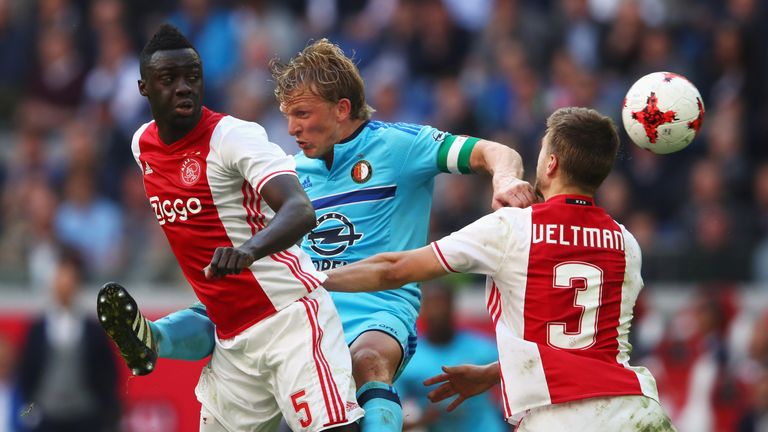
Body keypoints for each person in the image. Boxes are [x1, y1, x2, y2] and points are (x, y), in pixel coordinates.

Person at [102, 37, 536, 432]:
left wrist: (503, 180)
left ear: (341, 109)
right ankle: (153, 338)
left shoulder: (402, 147)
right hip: (310, 294)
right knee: (227, 304)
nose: (291, 128)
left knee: (364, 362)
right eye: (287, 115)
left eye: (302, 114)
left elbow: (496, 152)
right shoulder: (292, 170)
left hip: (379, 307)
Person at [322, 107, 676, 431]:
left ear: (550, 163)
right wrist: (495, 373)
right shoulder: (626, 242)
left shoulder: (514, 228)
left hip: (558, 417)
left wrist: (312, 280)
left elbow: (394, 268)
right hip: (637, 411)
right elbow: (584, 348)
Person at [97, 24, 363, 432]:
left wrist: (249, 250)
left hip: (288, 318)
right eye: (169, 80)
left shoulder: (233, 137)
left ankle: (156, 338)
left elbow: (299, 209)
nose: (184, 88)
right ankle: (155, 338)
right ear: (143, 88)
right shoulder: (141, 145)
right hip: (232, 341)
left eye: (193, 77)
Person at [17, 249, 120, 432]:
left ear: (77, 285)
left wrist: (104, 411)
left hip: (85, 414)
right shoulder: (38, 329)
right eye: (60, 280)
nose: (64, 286)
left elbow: (108, 372)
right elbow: (27, 371)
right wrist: (30, 409)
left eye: (69, 281)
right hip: (47, 415)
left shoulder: (93, 330)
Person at [395, 284, 504, 432]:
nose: (437, 311)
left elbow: (517, 377)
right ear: (422, 310)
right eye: (431, 305)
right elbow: (392, 415)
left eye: (442, 303)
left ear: (452, 307)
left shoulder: (483, 347)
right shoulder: (409, 357)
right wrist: (423, 418)